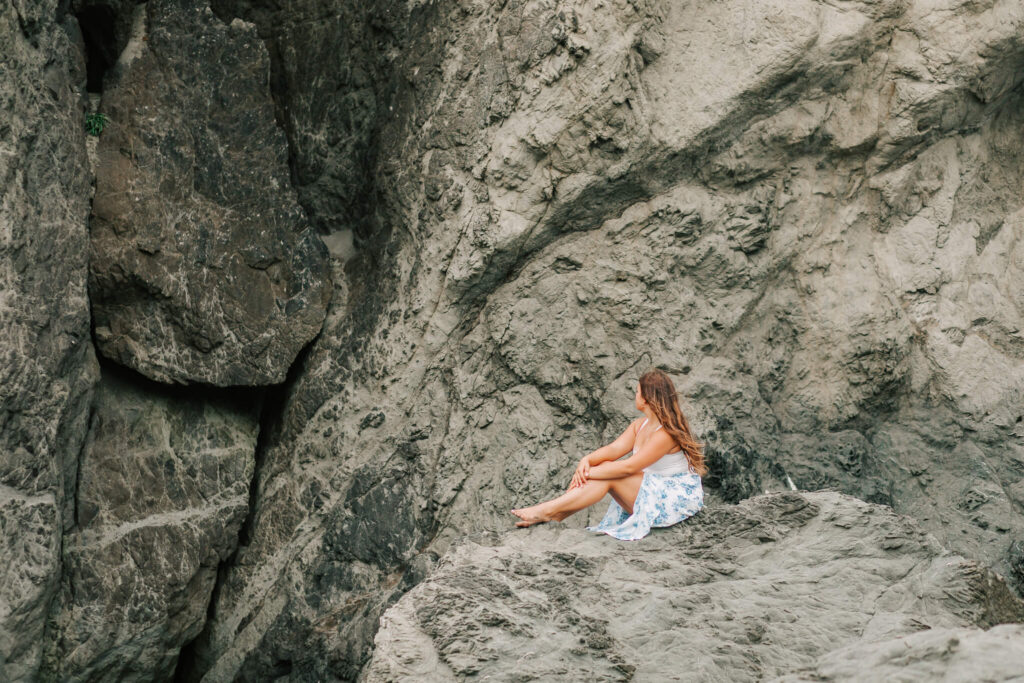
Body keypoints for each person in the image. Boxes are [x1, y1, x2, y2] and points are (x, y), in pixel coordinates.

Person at [510, 368, 707, 540]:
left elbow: (631, 466)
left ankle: (549, 511)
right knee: (606, 471)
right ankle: (553, 514)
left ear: (646, 399)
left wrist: (588, 473)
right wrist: (585, 461)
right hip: (651, 492)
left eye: (637, 392)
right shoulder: (640, 425)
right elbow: (613, 450)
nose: (635, 396)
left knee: (610, 475)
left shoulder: (665, 434)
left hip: (674, 499)